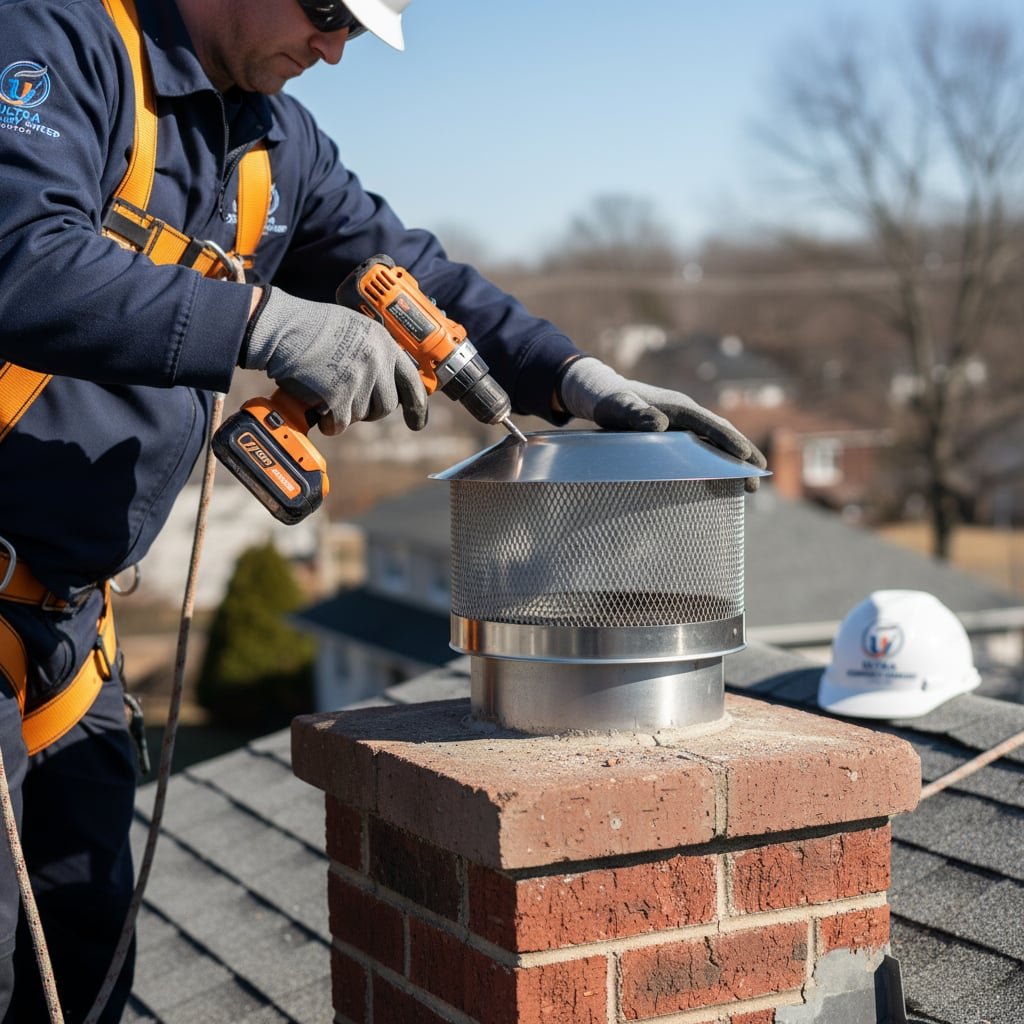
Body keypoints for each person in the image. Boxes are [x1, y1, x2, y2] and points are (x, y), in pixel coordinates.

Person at [0, 0, 766, 1019]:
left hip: (66, 636)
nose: (331, 47)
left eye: (354, 33)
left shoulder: (272, 143)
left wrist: (574, 379)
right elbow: (22, 257)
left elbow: (421, 278)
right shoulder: (55, 41)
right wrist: (265, 321)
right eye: (326, 12)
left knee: (85, 963)